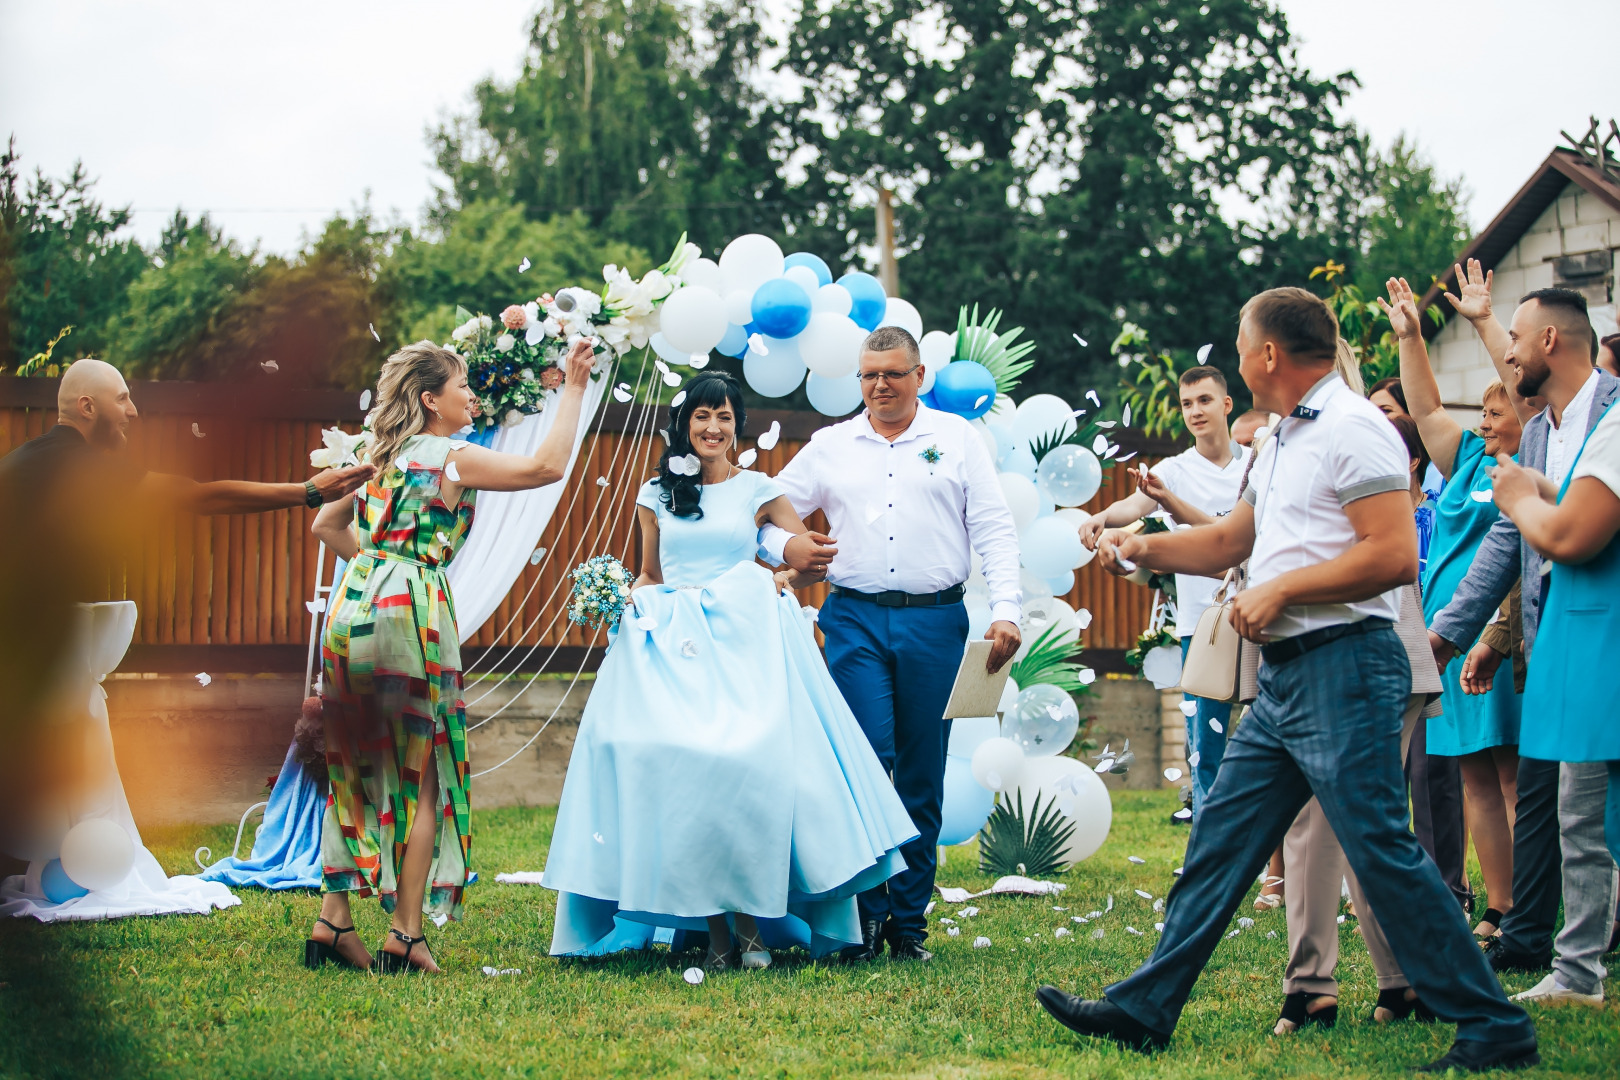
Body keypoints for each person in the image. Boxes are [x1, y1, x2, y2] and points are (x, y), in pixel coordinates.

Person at [1035, 286, 1538, 1074]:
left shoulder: (1356, 430)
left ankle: (1491, 1022)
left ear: (1269, 354)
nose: (1233, 355)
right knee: (1222, 836)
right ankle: (1145, 1007)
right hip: (1286, 679)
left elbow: (1393, 556)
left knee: (1379, 849)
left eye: (1240, 341)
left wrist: (1282, 590)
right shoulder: (1279, 442)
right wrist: (1145, 546)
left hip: (1345, 664)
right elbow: (1237, 538)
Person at [541, 370, 919, 971]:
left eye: (723, 417)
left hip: (745, 645)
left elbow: (806, 562)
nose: (712, 428)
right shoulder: (653, 493)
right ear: (683, 423)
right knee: (676, 763)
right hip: (670, 646)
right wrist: (618, 604)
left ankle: (750, 924)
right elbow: (652, 575)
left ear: (736, 426)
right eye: (701, 416)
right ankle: (717, 930)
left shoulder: (758, 489)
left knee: (749, 765)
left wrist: (771, 582)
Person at [0, 358, 374, 872]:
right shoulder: (78, 465)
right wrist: (309, 492)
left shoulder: (23, 461)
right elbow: (201, 496)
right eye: (122, 399)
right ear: (87, 407)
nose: (133, 411)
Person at [306, 338, 597, 974]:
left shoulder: (371, 453)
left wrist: (378, 569)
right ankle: (405, 935)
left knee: (352, 763)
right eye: (463, 387)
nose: (473, 397)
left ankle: (334, 922)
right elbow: (546, 469)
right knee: (421, 772)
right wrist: (573, 386)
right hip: (408, 611)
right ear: (431, 399)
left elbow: (326, 527)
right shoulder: (448, 457)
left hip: (354, 608)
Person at [759, 325, 1023, 962]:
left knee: (921, 772)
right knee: (864, 763)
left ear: (919, 376)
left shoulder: (958, 440)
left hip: (936, 622)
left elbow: (993, 528)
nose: (880, 386)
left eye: (893, 374)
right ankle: (862, 923)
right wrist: (787, 554)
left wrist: (1009, 610)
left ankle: (908, 927)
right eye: (869, 375)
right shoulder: (829, 445)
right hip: (853, 620)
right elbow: (761, 512)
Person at [1429, 282, 1619, 1004]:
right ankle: (1575, 970)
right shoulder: (1541, 432)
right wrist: (1450, 637)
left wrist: (1522, 498)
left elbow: (1563, 531)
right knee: (1575, 808)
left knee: (1593, 808)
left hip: (1606, 639)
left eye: (1514, 335)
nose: (1505, 351)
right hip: (1560, 646)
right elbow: (1508, 542)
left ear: (1549, 342)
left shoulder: (1613, 415)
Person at [1273, 411, 1446, 1035]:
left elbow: (1380, 557)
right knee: (1343, 822)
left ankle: (1319, 984)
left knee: (1342, 823)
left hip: (1365, 657)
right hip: (1320, 661)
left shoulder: (1345, 442)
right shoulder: (1287, 446)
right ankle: (1399, 979)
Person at [1381, 277, 1526, 938]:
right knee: (1471, 778)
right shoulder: (1469, 460)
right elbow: (1427, 405)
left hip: (1502, 637)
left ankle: (1537, 902)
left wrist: (1486, 323)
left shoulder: (1530, 466)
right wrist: (1411, 337)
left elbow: (1523, 384)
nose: (1486, 423)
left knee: (1513, 776)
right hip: (1444, 639)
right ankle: (1500, 908)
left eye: (1497, 414)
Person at [1078, 366, 1251, 819]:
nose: (1195, 411)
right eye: (1187, 404)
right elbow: (1136, 504)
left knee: (1268, 745)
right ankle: (1205, 854)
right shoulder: (1173, 470)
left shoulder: (1257, 463)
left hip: (1261, 619)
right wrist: (1104, 519)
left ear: (1226, 404)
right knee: (1204, 751)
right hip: (1202, 628)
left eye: (1205, 401)